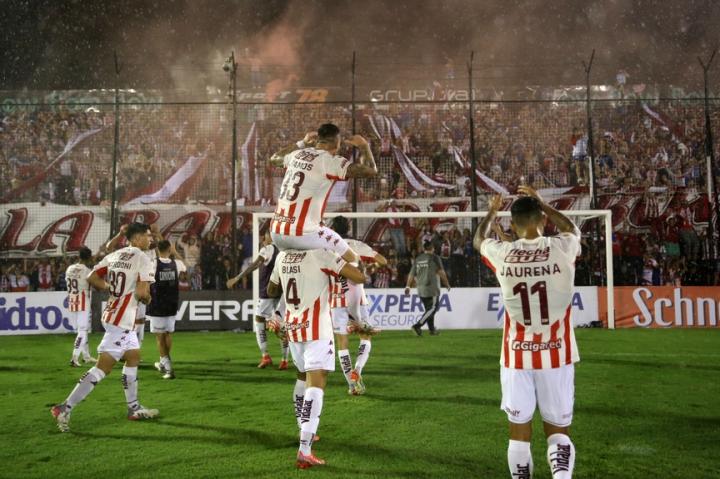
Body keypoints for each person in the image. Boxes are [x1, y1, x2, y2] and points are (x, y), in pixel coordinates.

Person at [474, 186, 581, 479]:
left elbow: (479, 240)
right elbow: (572, 228)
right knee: (558, 432)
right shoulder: (563, 248)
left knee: (518, 434)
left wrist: (492, 210)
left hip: (516, 356)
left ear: (512, 225)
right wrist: (544, 204)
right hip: (557, 354)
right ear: (543, 221)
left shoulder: (504, 254)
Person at [51, 223, 159, 432]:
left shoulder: (115, 255)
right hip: (122, 320)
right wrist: (146, 298)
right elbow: (143, 293)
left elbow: (92, 277)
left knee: (133, 356)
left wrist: (111, 289)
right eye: (147, 236)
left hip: (112, 314)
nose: (150, 239)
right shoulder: (143, 258)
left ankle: (134, 407)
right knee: (102, 369)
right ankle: (65, 407)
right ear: (136, 239)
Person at [267, 248, 365, 469]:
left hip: (294, 328)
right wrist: (341, 256)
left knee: (302, 378)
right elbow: (360, 276)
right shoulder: (321, 253)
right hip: (317, 329)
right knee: (316, 384)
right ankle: (305, 449)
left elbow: (271, 289)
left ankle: (304, 428)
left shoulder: (282, 256)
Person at [268, 123, 377, 263]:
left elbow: (274, 158)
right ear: (336, 143)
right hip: (302, 234)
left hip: (276, 232)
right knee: (353, 259)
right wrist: (364, 146)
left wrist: (302, 143)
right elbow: (370, 170)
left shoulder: (297, 154)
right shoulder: (329, 161)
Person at [328, 216, 386, 395]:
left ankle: (351, 386)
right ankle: (358, 371)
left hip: (337, 298)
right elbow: (383, 261)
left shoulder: (326, 247)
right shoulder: (355, 244)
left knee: (342, 343)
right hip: (357, 297)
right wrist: (369, 268)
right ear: (348, 228)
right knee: (365, 336)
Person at [227, 231, 289, 370]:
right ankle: (285, 360)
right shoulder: (285, 249)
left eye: (265, 235)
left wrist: (237, 278)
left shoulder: (268, 249)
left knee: (259, 320)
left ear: (270, 237)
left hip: (267, 294)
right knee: (282, 326)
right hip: (282, 294)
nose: (262, 238)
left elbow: (255, 264)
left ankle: (265, 356)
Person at [147, 240, 187, 379]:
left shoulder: (153, 263)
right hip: (172, 304)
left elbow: (146, 281)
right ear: (170, 249)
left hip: (157, 304)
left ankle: (168, 368)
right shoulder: (177, 264)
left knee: (159, 337)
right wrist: (176, 252)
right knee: (167, 334)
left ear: (157, 249)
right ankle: (163, 361)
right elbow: (186, 266)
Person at [404, 240, 450, 336]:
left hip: (420, 289)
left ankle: (432, 330)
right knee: (433, 308)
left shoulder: (418, 258)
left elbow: (411, 274)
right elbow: (441, 272)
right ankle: (417, 326)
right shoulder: (435, 258)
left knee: (429, 310)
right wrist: (447, 283)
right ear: (432, 248)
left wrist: (408, 286)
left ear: (424, 249)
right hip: (432, 288)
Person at [65, 247, 97, 367]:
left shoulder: (69, 268)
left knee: (82, 329)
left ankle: (86, 356)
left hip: (72, 300)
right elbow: (94, 283)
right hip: (83, 301)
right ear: (89, 257)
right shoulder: (87, 271)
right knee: (82, 331)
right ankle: (74, 358)